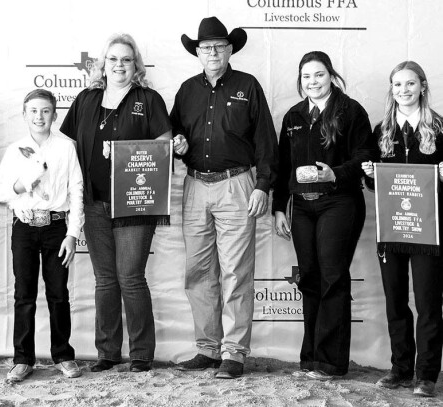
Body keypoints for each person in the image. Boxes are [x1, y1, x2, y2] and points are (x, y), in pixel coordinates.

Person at [171, 16, 278, 379]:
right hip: (195, 184)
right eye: (205, 47)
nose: (212, 51)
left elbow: (266, 140)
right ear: (197, 53)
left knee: (235, 271)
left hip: (236, 185)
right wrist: (177, 145)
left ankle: (234, 352)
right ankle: (207, 348)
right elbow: (174, 136)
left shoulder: (248, 85)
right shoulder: (186, 90)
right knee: (199, 271)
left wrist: (263, 184)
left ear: (231, 49)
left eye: (219, 45)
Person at [60, 33, 171, 373]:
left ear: (136, 65)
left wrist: (127, 155)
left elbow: (163, 145)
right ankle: (107, 351)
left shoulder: (148, 99)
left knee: (131, 277)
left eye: (126, 59)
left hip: (135, 203)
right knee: (105, 279)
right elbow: (65, 146)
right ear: (102, 65)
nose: (119, 65)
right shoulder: (86, 99)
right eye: (113, 59)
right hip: (93, 202)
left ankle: (141, 352)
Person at [273, 51, 372, 380]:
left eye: (318, 75)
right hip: (302, 207)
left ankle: (330, 363)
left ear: (331, 75)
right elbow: (283, 167)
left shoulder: (351, 111)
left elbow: (365, 156)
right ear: (300, 80)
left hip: (339, 203)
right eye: (306, 77)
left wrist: (336, 173)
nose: (312, 82)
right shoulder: (293, 116)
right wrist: (278, 208)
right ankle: (311, 358)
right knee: (311, 278)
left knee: (332, 277)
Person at [0, 89, 83, 382]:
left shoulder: (67, 147)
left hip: (56, 226)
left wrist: (72, 234)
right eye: (33, 111)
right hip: (25, 228)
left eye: (45, 111)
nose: (39, 117)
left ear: (54, 115)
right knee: (24, 294)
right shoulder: (15, 149)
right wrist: (19, 191)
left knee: (58, 293)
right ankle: (22, 359)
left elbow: (76, 192)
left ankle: (63, 355)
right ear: (24, 114)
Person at [361, 61, 443, 397]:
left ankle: (425, 375)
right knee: (395, 301)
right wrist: (368, 172)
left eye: (410, 84)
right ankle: (400, 368)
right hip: (391, 229)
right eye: (397, 85)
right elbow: (371, 183)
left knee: (427, 302)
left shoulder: (438, 128)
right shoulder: (382, 129)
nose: (403, 91)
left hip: (428, 232)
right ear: (391, 89)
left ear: (422, 86)